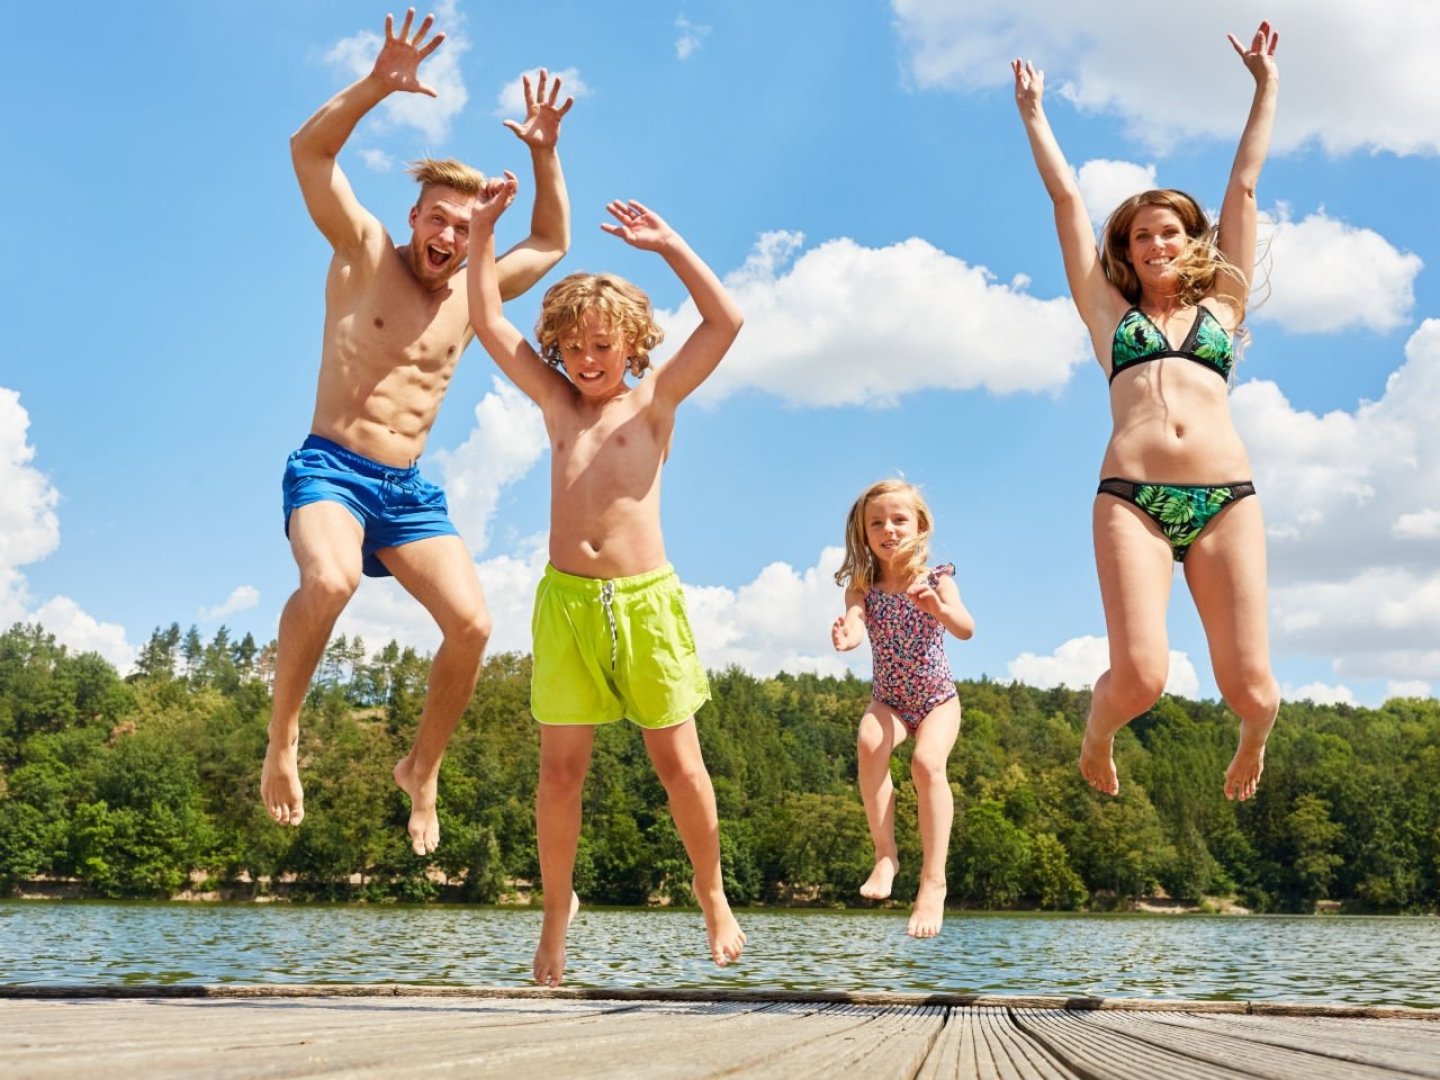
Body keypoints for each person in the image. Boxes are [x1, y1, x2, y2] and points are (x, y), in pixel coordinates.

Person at [260, 8, 574, 855]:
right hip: (331, 468)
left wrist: (544, 151)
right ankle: (283, 737)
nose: (449, 236)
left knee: (473, 627)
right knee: (329, 583)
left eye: (466, 228)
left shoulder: (476, 292)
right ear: (415, 214)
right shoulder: (364, 253)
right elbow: (308, 153)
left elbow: (551, 238)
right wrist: (376, 84)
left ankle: (420, 769)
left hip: (407, 488)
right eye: (438, 218)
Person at [467, 175, 746, 986]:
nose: (589, 362)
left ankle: (712, 892)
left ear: (632, 346)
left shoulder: (655, 402)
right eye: (576, 348)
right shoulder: (556, 404)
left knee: (680, 767)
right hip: (567, 607)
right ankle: (555, 917)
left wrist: (670, 247)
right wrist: (486, 231)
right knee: (560, 774)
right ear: (558, 349)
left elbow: (727, 321)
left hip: (645, 604)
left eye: (604, 346)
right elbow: (485, 317)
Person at [1011, 23, 1281, 801]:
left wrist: (1264, 87)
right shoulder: (1108, 316)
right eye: (1139, 236)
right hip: (1132, 500)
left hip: (1228, 502)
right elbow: (1066, 199)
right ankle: (1097, 738)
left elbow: (1247, 187)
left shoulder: (1223, 306)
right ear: (1125, 252)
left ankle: (1251, 742)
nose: (1156, 243)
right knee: (1140, 680)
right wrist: (1035, 114)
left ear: (1190, 240)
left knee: (1255, 692)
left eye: (1168, 231)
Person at [832, 480, 974, 937]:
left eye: (898, 520)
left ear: (920, 526)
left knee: (927, 763)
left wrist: (938, 608)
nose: (888, 529)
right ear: (863, 532)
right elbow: (854, 623)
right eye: (877, 523)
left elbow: (966, 628)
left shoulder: (937, 578)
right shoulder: (863, 587)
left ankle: (933, 883)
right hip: (889, 699)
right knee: (869, 741)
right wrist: (847, 635)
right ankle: (885, 855)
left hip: (937, 699)